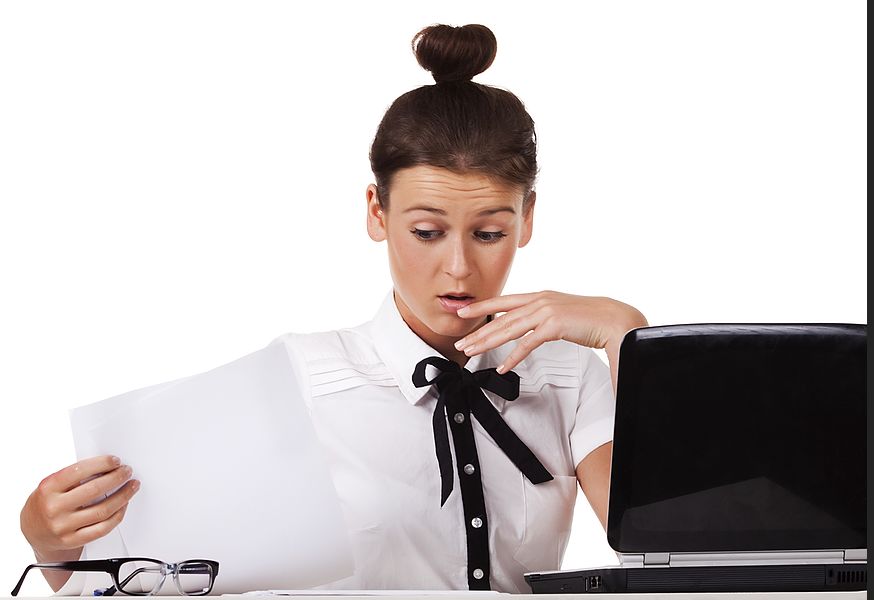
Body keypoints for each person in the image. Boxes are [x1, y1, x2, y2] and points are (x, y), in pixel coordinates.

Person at [19, 23, 647, 594]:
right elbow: (151, 577)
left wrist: (628, 337)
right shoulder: (292, 381)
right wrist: (52, 544)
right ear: (377, 212)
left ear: (527, 219)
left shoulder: (570, 377)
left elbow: (665, 552)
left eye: (488, 233)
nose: (458, 267)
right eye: (427, 232)